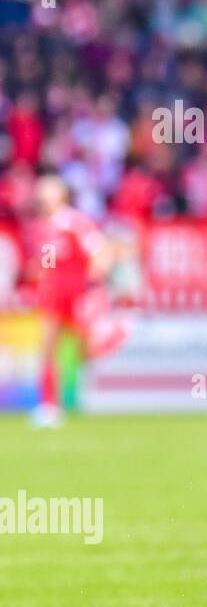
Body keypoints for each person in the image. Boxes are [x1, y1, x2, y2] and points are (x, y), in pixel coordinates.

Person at [22, 175, 120, 427]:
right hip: (51, 292)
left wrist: (91, 282)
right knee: (48, 346)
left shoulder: (75, 222)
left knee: (82, 347)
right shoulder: (40, 226)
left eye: (48, 189)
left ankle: (76, 397)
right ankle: (49, 405)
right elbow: (47, 262)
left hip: (75, 292)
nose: (42, 192)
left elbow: (101, 252)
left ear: (61, 194)